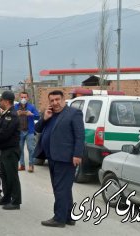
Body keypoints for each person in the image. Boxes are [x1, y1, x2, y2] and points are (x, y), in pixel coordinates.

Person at [33, 90, 84, 227]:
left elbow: (80, 136)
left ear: (63, 99)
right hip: (52, 157)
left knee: (60, 189)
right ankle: (69, 216)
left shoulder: (74, 113)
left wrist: (77, 154)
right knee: (64, 188)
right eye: (52, 100)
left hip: (66, 158)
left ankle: (59, 218)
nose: (55, 103)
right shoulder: (50, 114)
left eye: (57, 99)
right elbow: (37, 129)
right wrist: (45, 118)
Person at [0, 91, 21, 210]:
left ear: (6, 101)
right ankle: (7, 197)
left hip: (10, 150)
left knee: (12, 175)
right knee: (5, 175)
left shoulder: (11, 115)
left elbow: (5, 132)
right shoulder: (6, 113)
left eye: (1, 100)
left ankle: (16, 201)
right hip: (4, 149)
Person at [14, 92, 40, 172]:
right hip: (19, 131)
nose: (23, 99)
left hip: (30, 131)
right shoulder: (15, 107)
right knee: (20, 149)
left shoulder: (31, 107)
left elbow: (38, 117)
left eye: (25, 97)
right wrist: (16, 114)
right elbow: (10, 116)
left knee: (31, 149)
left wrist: (31, 114)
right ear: (19, 97)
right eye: (21, 97)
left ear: (28, 98)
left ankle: (31, 165)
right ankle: (22, 165)